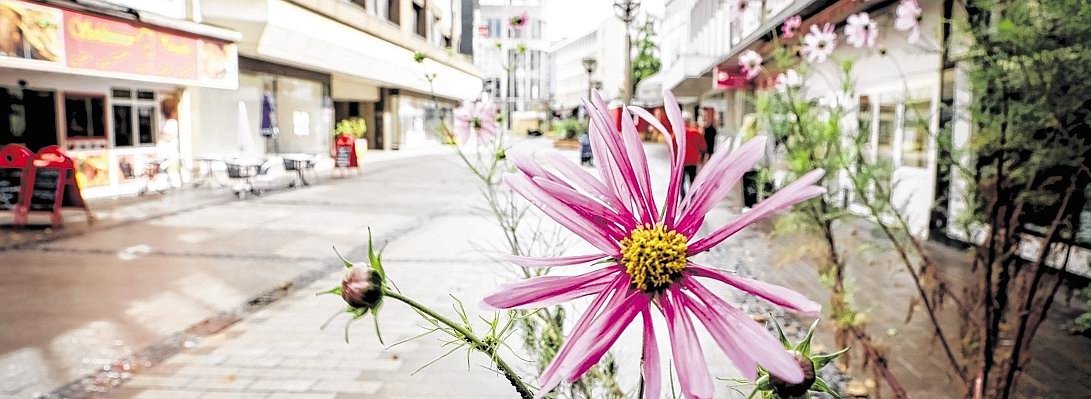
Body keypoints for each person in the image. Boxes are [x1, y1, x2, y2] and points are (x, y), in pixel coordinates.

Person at [681, 116, 707, 197]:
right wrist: (702, 158)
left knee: (681, 182)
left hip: (682, 162)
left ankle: (683, 197)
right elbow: (703, 147)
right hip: (693, 161)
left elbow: (673, 148)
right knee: (692, 180)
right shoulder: (696, 133)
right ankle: (692, 197)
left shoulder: (678, 133)